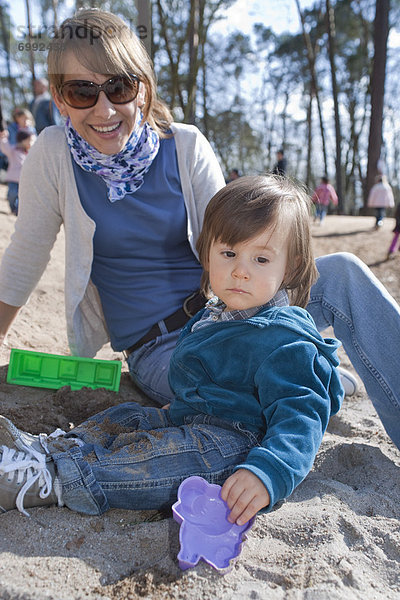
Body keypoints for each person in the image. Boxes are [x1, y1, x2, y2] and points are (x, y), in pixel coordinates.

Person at [0, 9, 398, 452]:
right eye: (82, 91)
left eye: (119, 86)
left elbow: (240, 240)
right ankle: (314, 373)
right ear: (59, 98)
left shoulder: (185, 144)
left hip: (231, 306)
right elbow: (24, 258)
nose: (105, 108)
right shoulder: (53, 155)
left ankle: (317, 372)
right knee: (251, 394)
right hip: (164, 351)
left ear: (143, 89)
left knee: (342, 272)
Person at [0, 174, 344, 519]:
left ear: (291, 267)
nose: (240, 271)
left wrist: (268, 473)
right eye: (229, 253)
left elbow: (301, 419)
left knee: (159, 460)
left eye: (261, 260)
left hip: (238, 446)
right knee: (128, 417)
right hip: (193, 419)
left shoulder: (287, 339)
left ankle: (55, 477)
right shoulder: (214, 313)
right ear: (207, 254)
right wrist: (179, 406)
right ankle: (53, 450)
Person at [0, 129, 36, 215]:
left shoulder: (31, 153)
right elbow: (5, 148)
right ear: (23, 141)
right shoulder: (14, 150)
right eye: (30, 140)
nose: (32, 143)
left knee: (22, 197)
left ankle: (17, 210)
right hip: (13, 179)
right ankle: (13, 207)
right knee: (12, 195)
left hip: (24, 180)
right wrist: (3, 138)